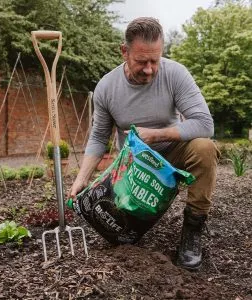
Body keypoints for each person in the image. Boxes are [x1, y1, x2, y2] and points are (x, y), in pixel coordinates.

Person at [69, 17, 220, 271]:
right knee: (118, 227)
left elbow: (205, 124)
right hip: (134, 166)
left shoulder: (175, 74)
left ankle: (192, 231)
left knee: (204, 148)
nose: (149, 69)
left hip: (172, 156)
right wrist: (82, 178)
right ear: (124, 52)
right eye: (142, 61)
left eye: (155, 60)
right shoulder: (107, 87)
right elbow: (98, 137)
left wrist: (156, 134)